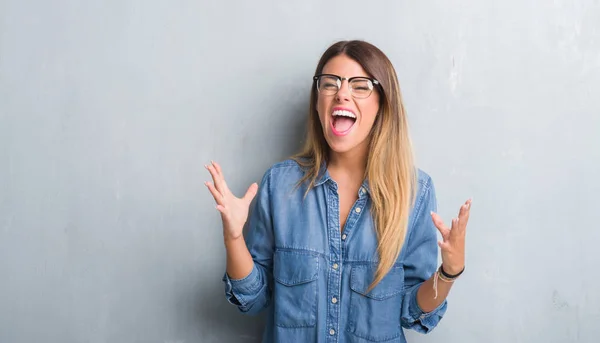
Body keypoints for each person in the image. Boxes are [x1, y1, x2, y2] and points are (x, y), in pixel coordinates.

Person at [205, 40, 471, 343]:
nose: (341, 93)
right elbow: (253, 299)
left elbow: (411, 312)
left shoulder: (415, 192)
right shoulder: (279, 186)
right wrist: (234, 237)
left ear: (383, 103)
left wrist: (448, 272)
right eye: (330, 83)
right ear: (318, 101)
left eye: (360, 86)